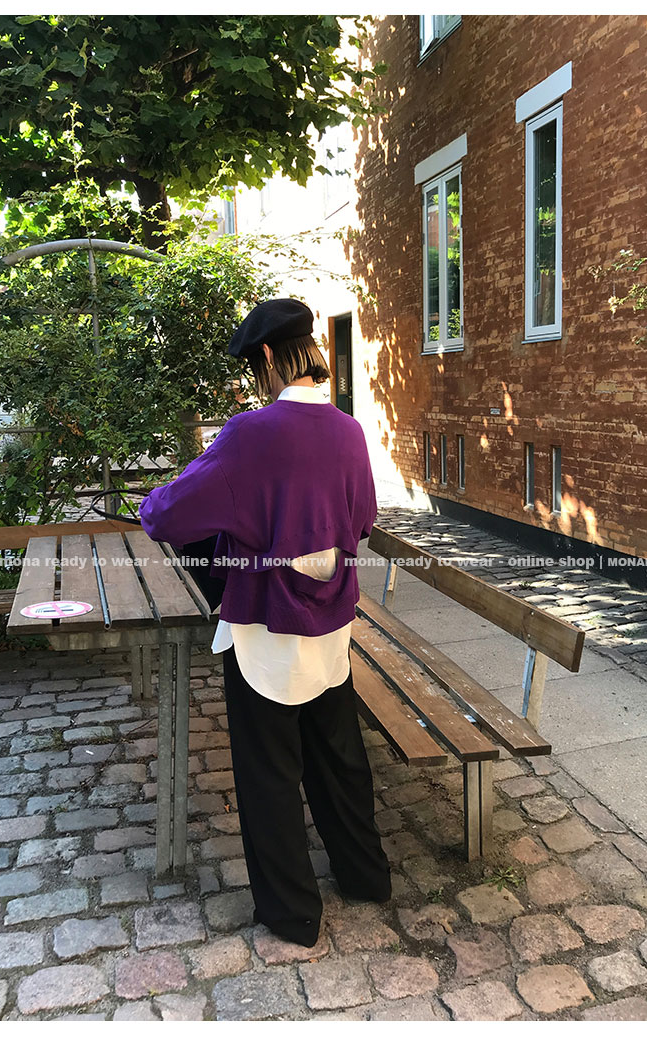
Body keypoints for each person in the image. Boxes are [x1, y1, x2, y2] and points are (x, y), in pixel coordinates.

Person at [139, 298, 391, 947]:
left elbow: (166, 515)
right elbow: (363, 518)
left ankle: (293, 914)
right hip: (330, 619)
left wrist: (156, 502)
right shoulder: (349, 431)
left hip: (264, 627)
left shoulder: (249, 434)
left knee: (270, 771)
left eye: (256, 367)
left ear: (271, 356)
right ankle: (366, 875)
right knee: (339, 757)